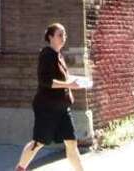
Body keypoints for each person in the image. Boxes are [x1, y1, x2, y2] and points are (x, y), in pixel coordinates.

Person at [14, 23, 85, 171]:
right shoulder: (46, 55)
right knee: (38, 143)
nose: (64, 37)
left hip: (62, 108)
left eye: (65, 34)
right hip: (47, 108)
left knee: (71, 143)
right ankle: (20, 168)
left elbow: (63, 79)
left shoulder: (59, 55)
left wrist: (77, 82)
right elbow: (45, 81)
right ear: (50, 37)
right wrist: (69, 84)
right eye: (60, 34)